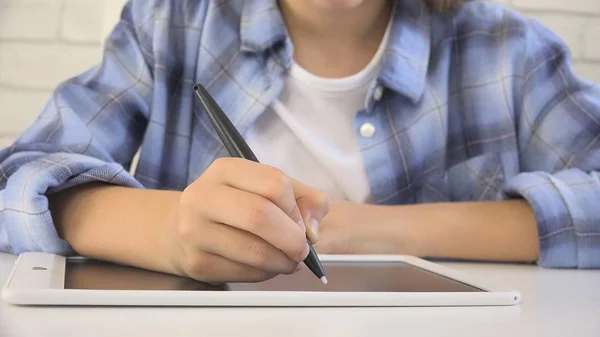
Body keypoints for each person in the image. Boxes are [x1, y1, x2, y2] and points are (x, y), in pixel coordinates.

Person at [1, 0, 599, 284]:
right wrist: (167, 229)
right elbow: (18, 182)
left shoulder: (511, 52)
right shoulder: (170, 23)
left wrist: (368, 230)